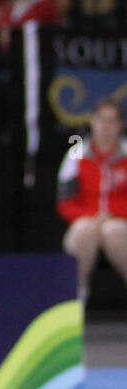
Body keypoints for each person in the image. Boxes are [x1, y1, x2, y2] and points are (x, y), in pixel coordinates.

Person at [58, 98, 127, 301]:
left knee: (112, 230)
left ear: (120, 125)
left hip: (120, 223)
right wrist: (92, 218)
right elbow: (65, 202)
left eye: (112, 121)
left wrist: (111, 216)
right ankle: (76, 295)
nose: (106, 127)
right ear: (92, 122)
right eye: (101, 120)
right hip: (87, 219)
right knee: (83, 229)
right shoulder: (76, 154)